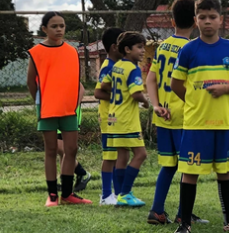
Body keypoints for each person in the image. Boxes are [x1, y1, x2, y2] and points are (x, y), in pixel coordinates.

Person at [170, 0, 229, 233]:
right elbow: (176, 84)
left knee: (225, 171)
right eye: (203, 17)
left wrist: (225, 89)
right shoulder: (188, 50)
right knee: (190, 172)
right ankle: (185, 223)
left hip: (223, 123)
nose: (208, 21)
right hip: (196, 124)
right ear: (195, 20)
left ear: (221, 20)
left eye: (212, 17)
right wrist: (194, 102)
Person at [145, 0, 209, 225]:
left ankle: (157, 211)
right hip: (185, 116)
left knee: (169, 165)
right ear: (196, 21)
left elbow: (150, 79)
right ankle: (183, 213)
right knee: (190, 167)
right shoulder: (193, 49)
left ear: (172, 21)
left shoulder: (162, 47)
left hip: (163, 115)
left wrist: (156, 105)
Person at [27, 11, 92, 206]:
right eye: (54, 26)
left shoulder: (72, 51)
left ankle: (68, 194)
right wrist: (41, 102)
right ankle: (52, 195)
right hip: (47, 109)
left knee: (71, 149)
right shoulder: (36, 52)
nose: (59, 29)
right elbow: (31, 82)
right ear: (44, 29)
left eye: (62, 26)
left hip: (68, 109)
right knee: (51, 149)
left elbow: (75, 81)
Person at [100, 31, 150, 207]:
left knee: (122, 155)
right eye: (139, 47)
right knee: (141, 154)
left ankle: (121, 194)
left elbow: (104, 84)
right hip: (127, 120)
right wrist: (145, 101)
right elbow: (136, 94)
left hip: (113, 118)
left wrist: (118, 89)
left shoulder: (116, 66)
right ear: (127, 49)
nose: (143, 51)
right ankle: (125, 192)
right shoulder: (133, 69)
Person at [94, 27, 123, 205]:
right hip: (109, 119)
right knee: (110, 156)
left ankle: (118, 193)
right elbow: (98, 93)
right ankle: (106, 195)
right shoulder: (108, 67)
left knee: (118, 155)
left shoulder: (118, 66)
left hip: (117, 118)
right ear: (114, 47)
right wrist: (120, 95)